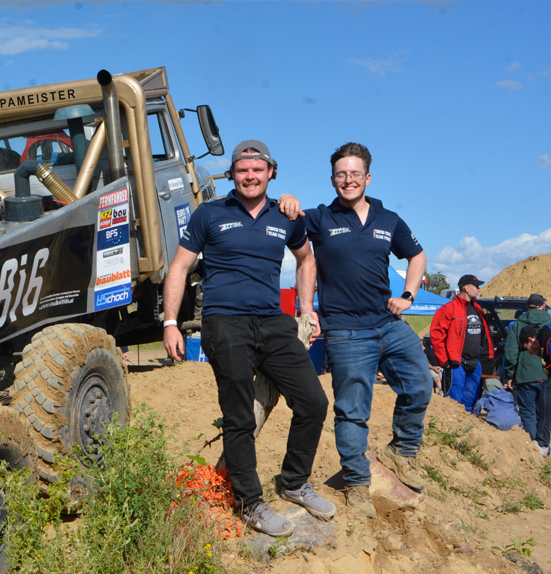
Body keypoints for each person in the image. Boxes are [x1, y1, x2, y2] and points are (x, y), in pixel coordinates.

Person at [162, 140, 332, 537]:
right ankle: (250, 503)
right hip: (225, 323)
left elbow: (306, 259)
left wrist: (306, 308)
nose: (250, 176)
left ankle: (293, 482)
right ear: (233, 174)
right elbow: (179, 267)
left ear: (271, 172)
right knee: (239, 415)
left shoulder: (286, 215)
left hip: (273, 323)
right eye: (243, 170)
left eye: (258, 169)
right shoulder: (209, 214)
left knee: (313, 401)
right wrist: (171, 322)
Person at [287, 142, 432, 517]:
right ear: (333, 179)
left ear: (367, 177)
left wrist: (408, 296)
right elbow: (290, 226)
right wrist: (286, 200)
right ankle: (357, 483)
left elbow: (417, 255)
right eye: (341, 174)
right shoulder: (320, 218)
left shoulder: (389, 220)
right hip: (347, 332)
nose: (348, 180)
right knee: (352, 411)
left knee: (420, 384)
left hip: (389, 323)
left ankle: (402, 451)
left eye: (355, 174)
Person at [430, 275, 493, 412]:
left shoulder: (477, 308)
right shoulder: (448, 308)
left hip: (475, 362)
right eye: (476, 287)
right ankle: (452, 432)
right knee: (453, 403)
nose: (479, 290)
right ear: (467, 288)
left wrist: (482, 354)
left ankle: (469, 431)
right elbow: (436, 335)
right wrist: (445, 361)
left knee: (471, 400)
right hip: (456, 363)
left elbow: (483, 333)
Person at [504, 293, 550, 445]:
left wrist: (510, 374)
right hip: (546, 373)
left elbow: (511, 353)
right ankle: (544, 444)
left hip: (525, 374)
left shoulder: (518, 324)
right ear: (543, 306)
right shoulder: (549, 322)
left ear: (527, 307)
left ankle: (533, 445)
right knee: (544, 412)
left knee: (528, 412)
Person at [519, 323, 551, 456]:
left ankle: (542, 443)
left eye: (527, 349)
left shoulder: (548, 342)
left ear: (531, 340)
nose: (530, 354)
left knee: (546, 387)